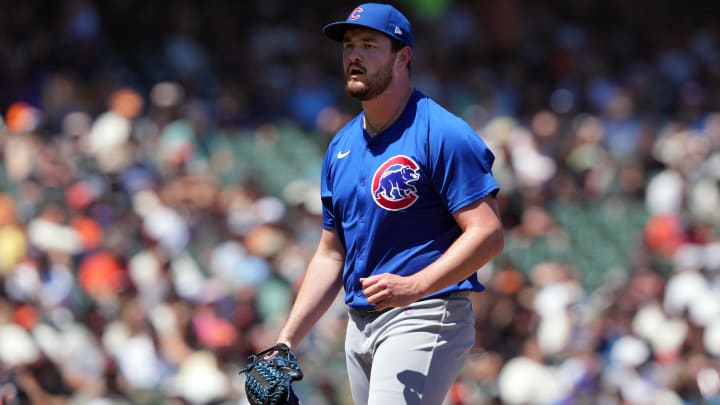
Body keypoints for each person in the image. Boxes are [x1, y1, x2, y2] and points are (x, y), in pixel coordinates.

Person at [276, 3, 504, 404]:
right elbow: (332, 253)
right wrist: (286, 341)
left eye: (369, 44)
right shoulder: (341, 146)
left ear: (403, 57)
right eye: (348, 46)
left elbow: (487, 232)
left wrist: (416, 285)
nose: (355, 56)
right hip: (360, 321)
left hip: (427, 311)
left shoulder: (443, 133)